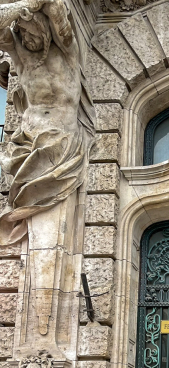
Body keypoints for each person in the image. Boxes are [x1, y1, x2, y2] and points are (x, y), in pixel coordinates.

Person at [0, 0, 95, 246]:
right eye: (22, 34)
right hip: (27, 142)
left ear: (44, 30)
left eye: (31, 33)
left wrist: (31, 4)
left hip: (61, 141)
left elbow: (57, 11)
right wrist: (16, 10)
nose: (27, 39)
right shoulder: (20, 57)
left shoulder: (66, 52)